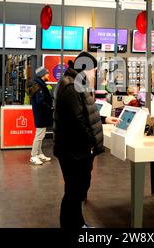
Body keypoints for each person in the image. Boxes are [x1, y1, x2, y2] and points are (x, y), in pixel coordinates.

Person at [53, 51, 119, 229]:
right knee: (74, 192)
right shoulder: (72, 86)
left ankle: (78, 223)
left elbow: (85, 112)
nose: (95, 74)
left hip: (77, 149)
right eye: (94, 71)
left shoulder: (77, 84)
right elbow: (77, 121)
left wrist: (104, 119)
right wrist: (90, 143)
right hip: (74, 150)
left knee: (77, 190)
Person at [28, 67, 53, 165]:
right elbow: (40, 102)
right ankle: (33, 155)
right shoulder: (39, 86)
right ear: (43, 75)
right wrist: (49, 108)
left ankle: (39, 153)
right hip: (41, 114)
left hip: (42, 114)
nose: (48, 75)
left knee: (41, 135)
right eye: (47, 74)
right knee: (39, 136)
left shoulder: (40, 85)